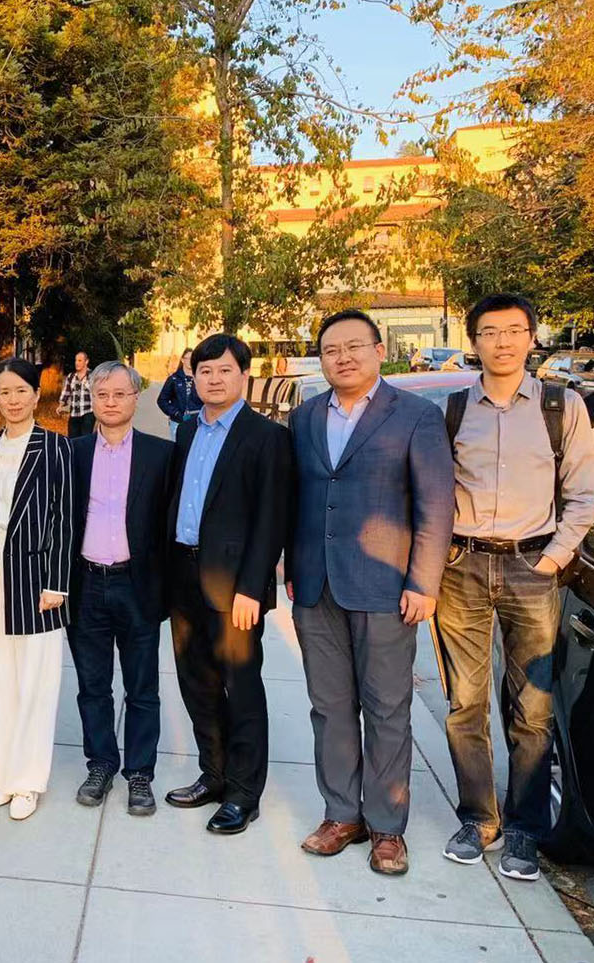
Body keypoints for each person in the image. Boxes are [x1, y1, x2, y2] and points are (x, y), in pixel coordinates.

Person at [287, 309, 454, 876]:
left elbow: (435, 506)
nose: (343, 357)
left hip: (387, 588)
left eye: (355, 346)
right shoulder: (305, 415)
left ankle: (387, 826)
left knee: (387, 710)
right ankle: (341, 814)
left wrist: (423, 581)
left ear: (379, 350)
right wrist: (292, 564)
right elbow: (299, 498)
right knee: (329, 707)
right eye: (332, 349)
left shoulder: (415, 416)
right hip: (316, 585)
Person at [437, 293, 594, 881]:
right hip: (463, 568)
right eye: (488, 332)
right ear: (472, 341)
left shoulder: (563, 406)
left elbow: (584, 493)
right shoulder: (453, 410)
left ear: (532, 336)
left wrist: (554, 558)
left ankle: (526, 829)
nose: (501, 342)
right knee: (464, 703)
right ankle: (479, 818)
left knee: (532, 706)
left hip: (534, 567)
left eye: (513, 331)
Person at [164, 334, 292, 835]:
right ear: (193, 377)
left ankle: (243, 793)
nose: (213, 380)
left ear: (243, 375)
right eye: (204, 371)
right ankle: (212, 775)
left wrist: (251, 588)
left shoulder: (266, 437)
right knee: (196, 683)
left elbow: (270, 520)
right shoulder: (187, 431)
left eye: (223, 371)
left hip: (233, 586)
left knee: (241, 689)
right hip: (184, 575)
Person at [0, 357, 73, 821]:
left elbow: (65, 519)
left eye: (20, 391)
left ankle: (28, 780)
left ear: (36, 395)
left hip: (36, 575)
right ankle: (2, 775)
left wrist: (58, 582)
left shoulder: (55, 447)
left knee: (35, 679)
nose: (12, 400)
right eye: (4, 392)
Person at [68, 360, 172, 816]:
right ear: (92, 398)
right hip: (86, 583)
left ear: (135, 398)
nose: (110, 402)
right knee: (93, 686)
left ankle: (140, 773)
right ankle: (101, 764)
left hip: (137, 585)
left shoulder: (160, 454)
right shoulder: (72, 453)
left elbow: (169, 526)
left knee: (142, 687)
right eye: (102, 394)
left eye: (120, 394)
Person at [157, 347, 203, 440]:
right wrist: (176, 413)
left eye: (193, 358)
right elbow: (162, 400)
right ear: (182, 360)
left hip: (197, 422)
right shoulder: (174, 379)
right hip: (178, 422)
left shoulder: (201, 378)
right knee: (178, 451)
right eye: (188, 358)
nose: (190, 361)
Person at [58, 351, 95, 438]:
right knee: (73, 440)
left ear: (86, 361)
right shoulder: (71, 376)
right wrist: (61, 405)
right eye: (76, 360)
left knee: (85, 440)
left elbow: (98, 393)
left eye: (80, 360)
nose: (77, 363)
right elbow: (66, 392)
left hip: (88, 412)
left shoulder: (93, 376)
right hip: (74, 413)